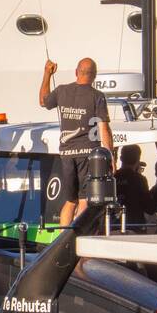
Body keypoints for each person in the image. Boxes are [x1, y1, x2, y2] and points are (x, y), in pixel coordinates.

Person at [39, 56, 111, 226]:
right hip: (88, 153)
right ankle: (78, 238)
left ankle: (62, 238)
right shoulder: (97, 96)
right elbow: (104, 129)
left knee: (70, 201)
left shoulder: (62, 91)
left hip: (66, 154)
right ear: (94, 76)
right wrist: (109, 155)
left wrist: (47, 74)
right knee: (84, 199)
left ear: (76, 72)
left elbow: (43, 101)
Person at [113, 145, 151, 226]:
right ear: (138, 160)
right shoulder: (140, 180)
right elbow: (149, 208)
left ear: (121, 158)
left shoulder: (112, 178)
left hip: (114, 225)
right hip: (135, 226)